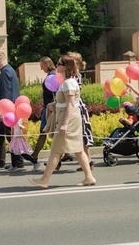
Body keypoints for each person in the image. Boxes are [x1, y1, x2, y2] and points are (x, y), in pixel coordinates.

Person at [30, 54, 96, 188]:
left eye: (59, 63)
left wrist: (65, 124)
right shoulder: (66, 82)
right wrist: (53, 105)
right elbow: (66, 103)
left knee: (56, 150)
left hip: (68, 119)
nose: (57, 65)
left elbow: (71, 104)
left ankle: (44, 179)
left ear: (66, 67)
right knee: (78, 150)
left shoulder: (68, 83)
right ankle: (89, 177)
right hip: (69, 117)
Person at [0, 51, 20, 169]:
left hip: (7, 111)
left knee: (10, 136)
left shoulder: (6, 72)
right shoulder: (8, 71)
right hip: (5, 111)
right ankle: (1, 159)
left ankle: (18, 160)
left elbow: (6, 93)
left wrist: (4, 112)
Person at [67, 52, 95, 172]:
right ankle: (88, 162)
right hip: (78, 106)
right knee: (81, 138)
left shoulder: (74, 76)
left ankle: (88, 163)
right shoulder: (75, 75)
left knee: (82, 137)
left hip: (77, 107)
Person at [29, 57, 56, 162]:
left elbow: (55, 91)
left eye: (42, 66)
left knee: (43, 130)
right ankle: (65, 154)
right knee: (53, 131)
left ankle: (35, 155)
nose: (41, 69)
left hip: (49, 107)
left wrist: (43, 93)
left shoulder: (52, 75)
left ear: (46, 64)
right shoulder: (53, 74)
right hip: (49, 106)